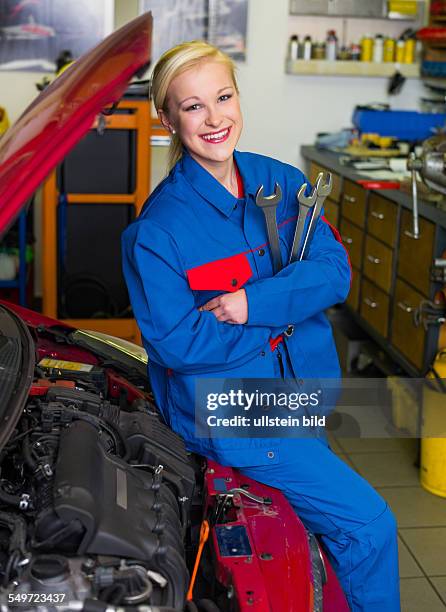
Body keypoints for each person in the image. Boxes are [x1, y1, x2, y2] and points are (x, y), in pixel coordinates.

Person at [121, 40, 400, 612]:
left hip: (302, 387)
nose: (214, 118)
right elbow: (180, 343)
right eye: (193, 106)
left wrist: (254, 303)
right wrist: (286, 308)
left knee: (314, 529)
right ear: (167, 117)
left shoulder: (281, 181)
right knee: (370, 526)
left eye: (223, 97)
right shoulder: (159, 232)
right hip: (231, 410)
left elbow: (334, 273)